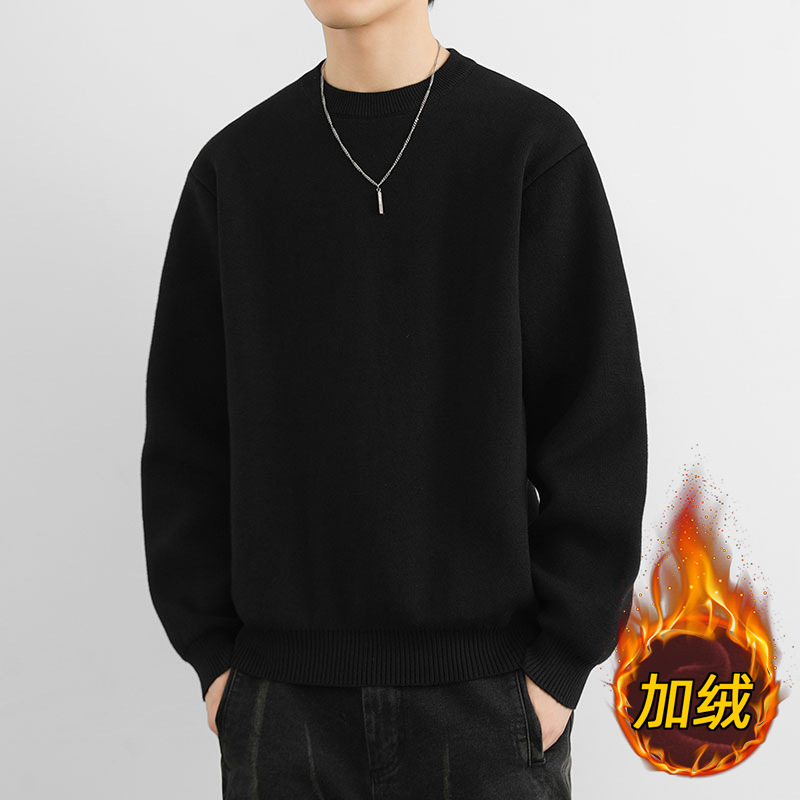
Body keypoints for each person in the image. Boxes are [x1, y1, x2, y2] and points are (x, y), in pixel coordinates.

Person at [140, 1, 648, 797]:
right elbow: (187, 437)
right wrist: (215, 662)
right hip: (282, 704)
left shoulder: (529, 148)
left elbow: (596, 425)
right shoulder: (235, 170)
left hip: (488, 704)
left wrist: (556, 668)